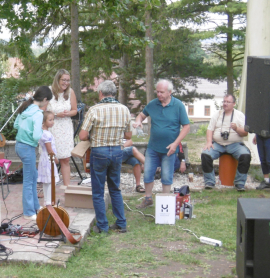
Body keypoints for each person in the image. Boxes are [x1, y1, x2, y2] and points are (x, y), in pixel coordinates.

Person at [79, 80, 131, 234]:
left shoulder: (94, 110)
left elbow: (82, 135)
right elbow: (128, 135)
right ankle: (121, 223)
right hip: (116, 151)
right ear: (113, 93)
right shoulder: (124, 110)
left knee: (98, 191)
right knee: (115, 189)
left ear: (100, 93)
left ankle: (102, 226)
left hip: (99, 152)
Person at [133, 79, 190, 208]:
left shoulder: (178, 105)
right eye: (157, 92)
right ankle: (148, 198)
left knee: (166, 175)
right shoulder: (153, 104)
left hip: (169, 149)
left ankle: (165, 202)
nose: (159, 95)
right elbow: (141, 115)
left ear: (170, 92)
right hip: (153, 147)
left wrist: (175, 144)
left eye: (162, 92)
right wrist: (138, 121)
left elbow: (186, 127)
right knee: (147, 173)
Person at [14, 86, 52, 220]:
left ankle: (36, 206)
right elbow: (36, 136)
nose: (47, 105)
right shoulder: (37, 114)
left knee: (33, 175)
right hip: (27, 147)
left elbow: (16, 126)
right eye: (47, 102)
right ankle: (29, 212)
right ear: (44, 99)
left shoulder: (25, 108)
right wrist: (43, 133)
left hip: (19, 146)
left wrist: (26, 132)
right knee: (29, 180)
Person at [201, 94, 251, 191]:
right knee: (205, 154)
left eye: (228, 102)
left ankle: (240, 183)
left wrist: (236, 128)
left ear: (234, 104)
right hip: (218, 144)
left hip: (235, 144)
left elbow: (245, 133)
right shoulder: (217, 114)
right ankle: (209, 182)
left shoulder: (239, 115)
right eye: (224, 101)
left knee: (245, 155)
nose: (225, 104)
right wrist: (209, 142)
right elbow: (210, 129)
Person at [47, 69, 78, 186]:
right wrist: (55, 115)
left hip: (65, 127)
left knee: (65, 159)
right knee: (51, 159)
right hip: (52, 127)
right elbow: (43, 112)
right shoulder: (49, 92)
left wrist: (67, 114)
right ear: (57, 80)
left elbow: (75, 110)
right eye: (63, 80)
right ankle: (49, 188)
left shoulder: (71, 92)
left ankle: (67, 188)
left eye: (68, 80)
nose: (66, 83)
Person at [38, 111, 60, 206]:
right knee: (51, 180)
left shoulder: (42, 132)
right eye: (50, 120)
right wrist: (55, 158)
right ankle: (49, 201)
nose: (52, 122)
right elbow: (49, 149)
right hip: (48, 159)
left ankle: (47, 201)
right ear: (43, 121)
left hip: (44, 158)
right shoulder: (46, 134)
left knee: (47, 181)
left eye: (53, 120)